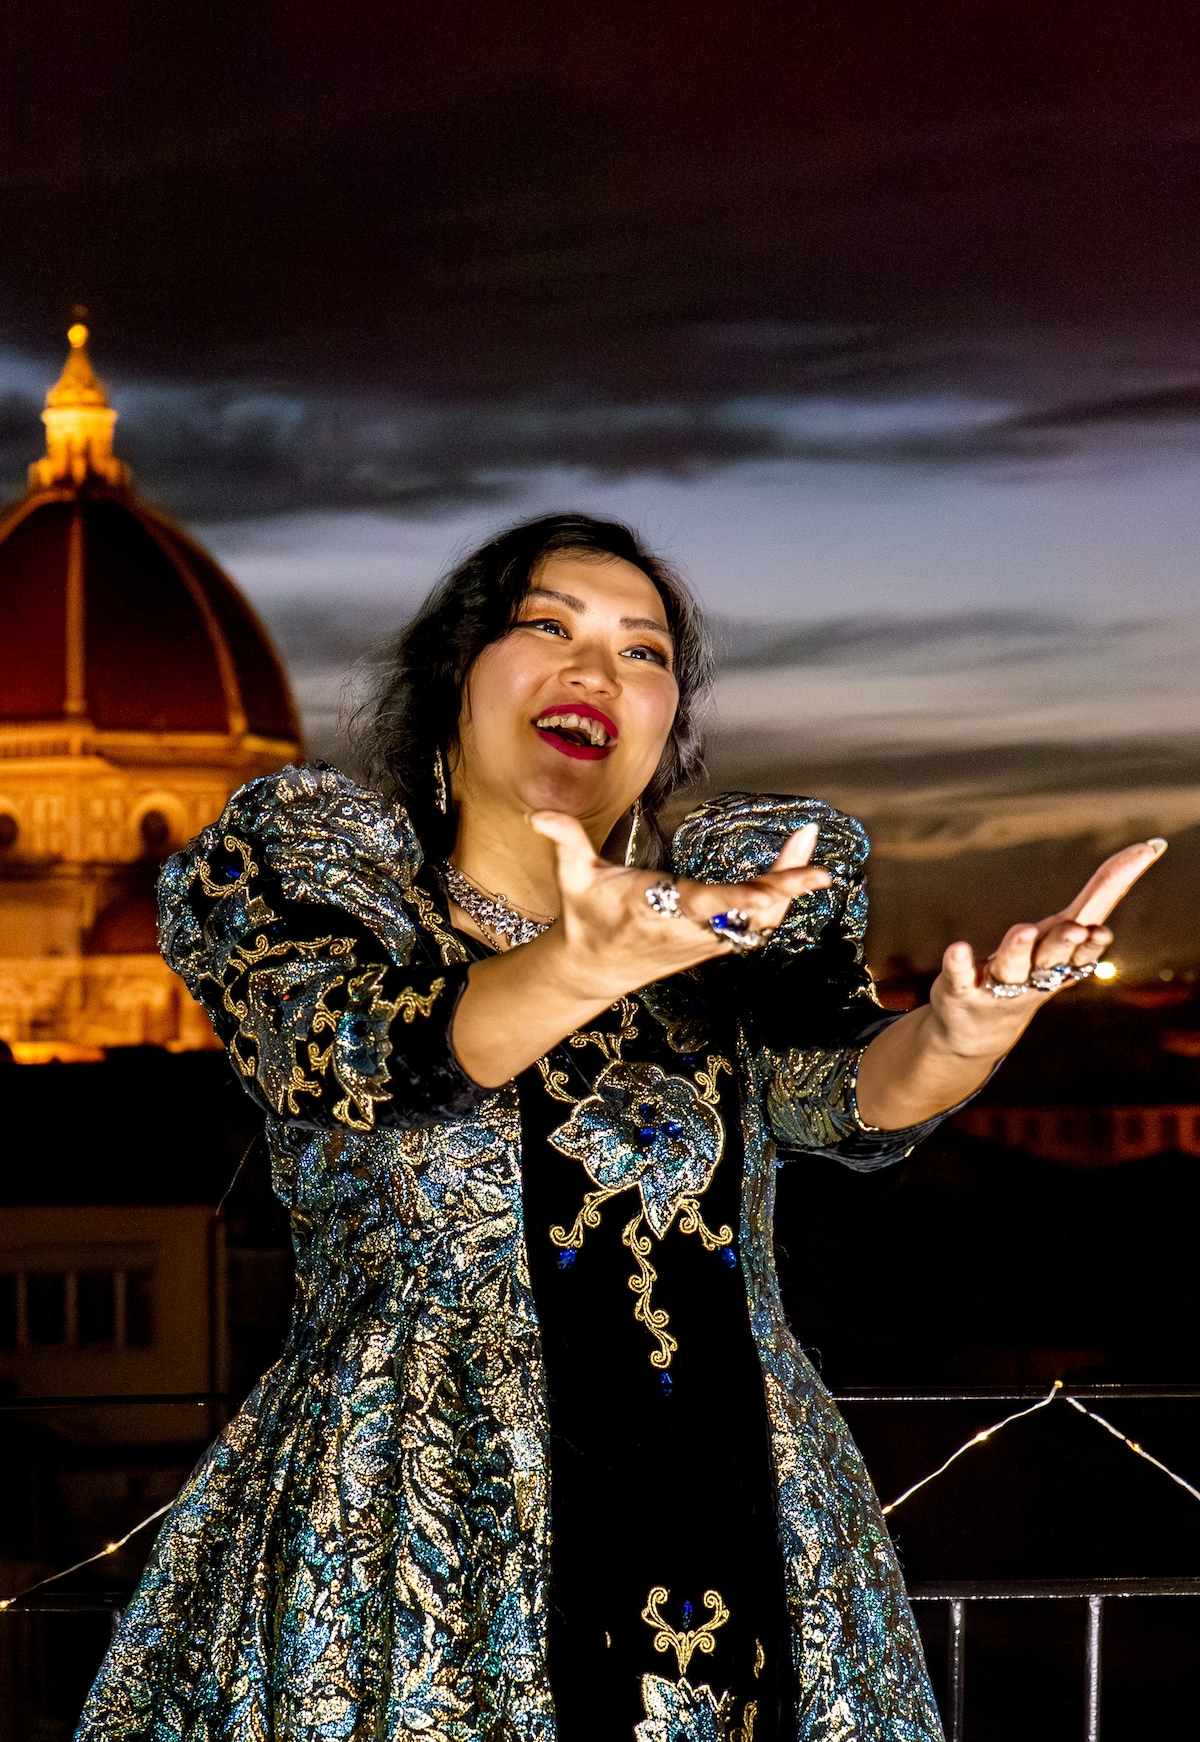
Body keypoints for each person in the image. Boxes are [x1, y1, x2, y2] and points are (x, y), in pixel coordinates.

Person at [77, 515, 1162, 1742]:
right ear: (453, 683)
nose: (597, 669)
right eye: (549, 627)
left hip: (744, 1508)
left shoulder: (723, 926)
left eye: (643, 651)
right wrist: (581, 962)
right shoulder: (324, 890)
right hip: (423, 1524)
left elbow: (842, 1091)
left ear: (662, 730)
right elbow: (363, 1056)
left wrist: (971, 1027)